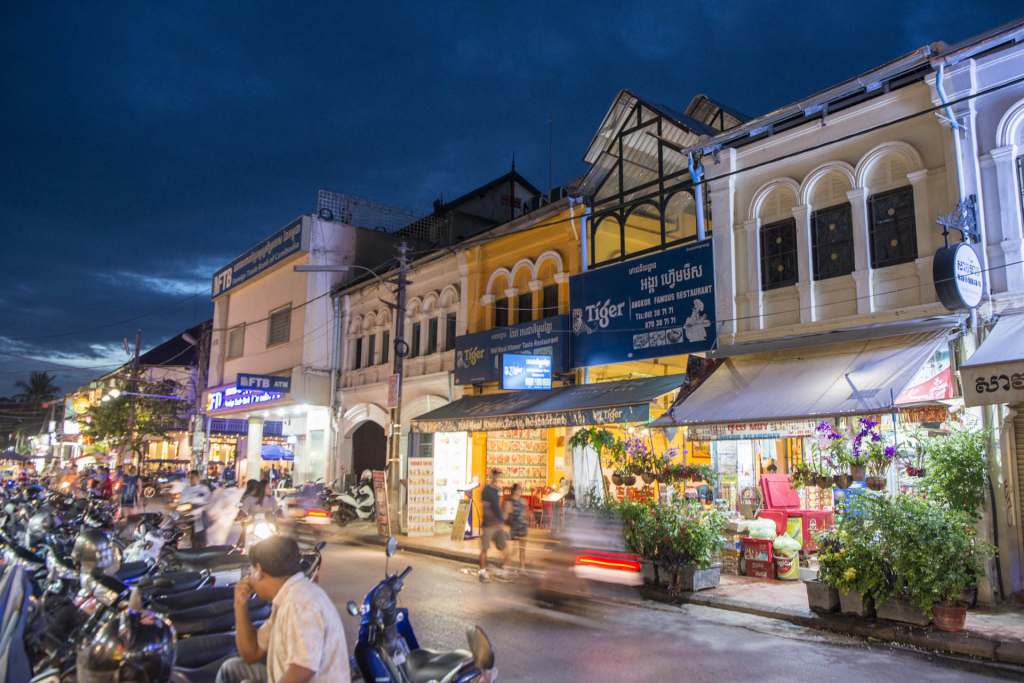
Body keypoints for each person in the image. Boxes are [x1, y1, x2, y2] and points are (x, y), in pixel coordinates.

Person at [217, 535, 349, 683]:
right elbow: (251, 654)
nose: (249, 578)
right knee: (232, 669)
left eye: (251, 570)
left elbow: (303, 669)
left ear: (259, 570)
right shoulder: (285, 599)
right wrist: (239, 605)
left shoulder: (299, 603)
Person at [478, 469, 508, 582]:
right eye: (496, 475)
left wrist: (501, 521)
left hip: (498, 525)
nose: (498, 477)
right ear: (492, 476)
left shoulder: (497, 491)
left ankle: (501, 570)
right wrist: (495, 521)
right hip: (489, 525)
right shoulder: (486, 490)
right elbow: (485, 508)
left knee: (505, 548)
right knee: (484, 549)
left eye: (499, 475)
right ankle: (482, 573)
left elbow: (498, 507)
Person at [179, 469, 211, 547]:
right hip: (188, 514)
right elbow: (181, 502)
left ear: (198, 478)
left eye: (193, 477)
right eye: (190, 478)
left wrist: (198, 503)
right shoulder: (186, 490)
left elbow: (208, 500)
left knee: (201, 537)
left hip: (201, 514)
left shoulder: (203, 489)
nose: (191, 479)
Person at [503, 483, 529, 571]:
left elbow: (526, 513)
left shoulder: (523, 501)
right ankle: (508, 564)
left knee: (521, 549)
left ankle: (521, 567)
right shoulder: (510, 502)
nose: (521, 490)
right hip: (516, 528)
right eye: (519, 489)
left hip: (520, 528)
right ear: (515, 491)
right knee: (514, 549)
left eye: (521, 489)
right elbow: (505, 516)